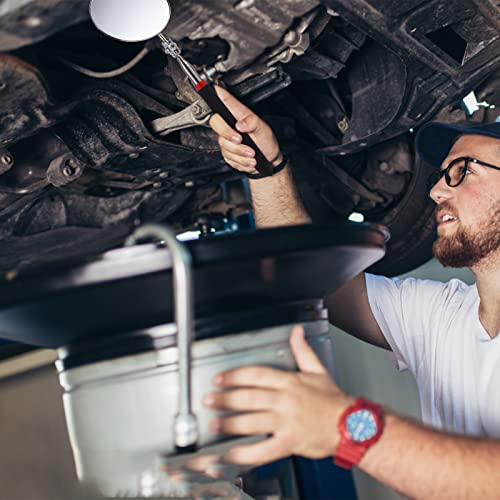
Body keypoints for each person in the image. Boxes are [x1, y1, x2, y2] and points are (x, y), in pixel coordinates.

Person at [202, 86, 500, 498]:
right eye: (438, 176)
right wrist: (269, 169)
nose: (435, 192)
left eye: (461, 171)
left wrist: (345, 426)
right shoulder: (442, 315)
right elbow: (316, 279)